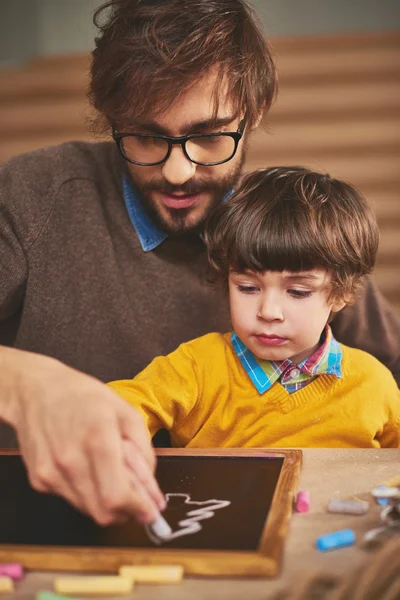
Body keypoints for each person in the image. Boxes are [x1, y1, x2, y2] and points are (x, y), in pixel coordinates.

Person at [0, 0, 399, 524]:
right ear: (112, 123)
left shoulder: (295, 229)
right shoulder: (32, 197)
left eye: (209, 136)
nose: (179, 171)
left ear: (253, 114)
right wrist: (24, 383)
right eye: (146, 136)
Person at [108, 167, 400, 448]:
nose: (269, 311)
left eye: (297, 292)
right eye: (248, 288)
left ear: (341, 294)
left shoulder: (374, 384)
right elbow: (114, 412)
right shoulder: (195, 369)